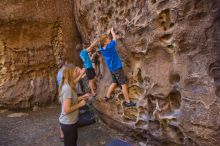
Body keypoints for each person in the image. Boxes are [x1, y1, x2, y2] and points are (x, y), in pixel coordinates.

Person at [98, 27, 136, 107]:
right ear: (105, 42)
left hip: (111, 69)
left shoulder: (101, 48)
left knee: (114, 82)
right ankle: (128, 102)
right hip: (117, 68)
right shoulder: (110, 47)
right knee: (123, 84)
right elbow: (115, 39)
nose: (110, 40)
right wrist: (112, 31)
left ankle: (107, 96)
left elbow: (103, 41)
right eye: (108, 39)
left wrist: (107, 34)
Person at [59, 65, 90, 146]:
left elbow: (72, 99)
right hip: (67, 123)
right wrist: (80, 104)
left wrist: (81, 97)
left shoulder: (69, 85)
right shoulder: (67, 89)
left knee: (73, 141)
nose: (77, 72)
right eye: (75, 71)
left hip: (71, 122)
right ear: (70, 73)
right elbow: (66, 109)